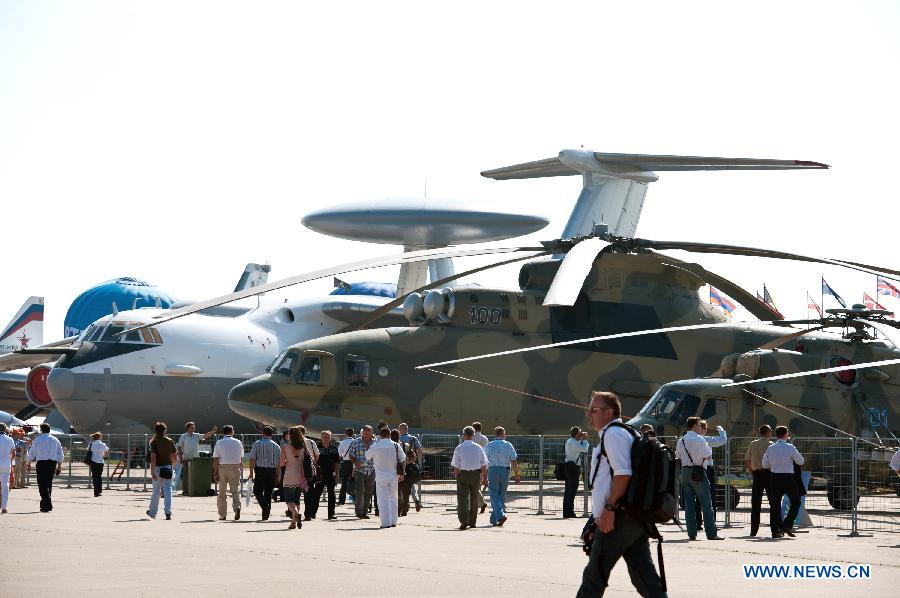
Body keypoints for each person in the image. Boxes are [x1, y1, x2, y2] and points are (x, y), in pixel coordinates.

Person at [577, 391, 666, 597]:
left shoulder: (614, 434)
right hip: (631, 517)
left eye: (593, 410)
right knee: (646, 579)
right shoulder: (624, 432)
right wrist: (595, 519)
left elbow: (623, 474)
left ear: (609, 413)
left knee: (594, 578)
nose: (589, 414)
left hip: (619, 517)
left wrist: (609, 510)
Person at [674, 416, 723, 541]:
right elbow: (708, 455)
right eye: (699, 425)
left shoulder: (681, 440)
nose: (700, 427)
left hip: (684, 472)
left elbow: (678, 456)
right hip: (698, 472)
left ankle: (692, 533)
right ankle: (711, 533)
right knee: (706, 504)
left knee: (689, 505)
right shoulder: (700, 439)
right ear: (695, 426)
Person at [762, 425, 804, 538]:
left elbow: (764, 464)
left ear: (776, 435)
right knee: (796, 501)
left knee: (775, 505)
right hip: (788, 478)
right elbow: (800, 461)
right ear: (786, 435)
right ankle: (787, 524)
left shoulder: (770, 448)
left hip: (775, 477)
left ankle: (775, 531)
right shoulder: (790, 447)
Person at [365, 427, 406, 528]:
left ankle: (385, 523)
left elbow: (367, 456)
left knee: (383, 500)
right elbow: (403, 460)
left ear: (381, 435)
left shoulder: (376, 446)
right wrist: (403, 473)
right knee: (393, 499)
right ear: (389, 435)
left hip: (380, 476)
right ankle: (393, 521)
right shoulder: (396, 445)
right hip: (393, 476)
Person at [451, 426, 488, 530]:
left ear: (464, 435)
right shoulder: (478, 448)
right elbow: (484, 464)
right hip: (476, 475)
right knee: (474, 499)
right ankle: (472, 522)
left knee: (462, 499)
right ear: (473, 435)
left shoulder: (459, 448)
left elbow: (456, 465)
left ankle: (464, 521)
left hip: (463, 474)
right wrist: (485, 477)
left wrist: (457, 476)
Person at [483, 426, 519, 527]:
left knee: (494, 494)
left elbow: (484, 462)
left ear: (495, 434)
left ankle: (500, 516)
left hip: (493, 470)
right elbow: (514, 461)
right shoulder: (508, 445)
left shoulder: (489, 445)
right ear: (503, 434)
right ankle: (494, 519)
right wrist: (516, 475)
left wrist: (484, 475)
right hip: (505, 470)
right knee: (501, 495)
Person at [277, 426, 311, 530]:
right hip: (301, 474)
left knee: (288, 499)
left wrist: (289, 461)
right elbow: (309, 459)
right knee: (297, 499)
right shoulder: (304, 447)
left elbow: (282, 463)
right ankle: (293, 522)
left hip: (290, 472)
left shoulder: (285, 447)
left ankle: (295, 514)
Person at [694, 420, 727, 526]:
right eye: (706, 429)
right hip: (707, 468)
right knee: (710, 495)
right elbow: (723, 440)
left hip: (695, 468)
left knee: (698, 496)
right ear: (702, 429)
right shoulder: (706, 439)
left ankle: (698, 522)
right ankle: (711, 522)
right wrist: (721, 430)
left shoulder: (692, 440)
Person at [27, 422, 64, 512]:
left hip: (42, 463)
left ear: (41, 430)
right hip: (52, 463)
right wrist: (59, 466)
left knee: (42, 484)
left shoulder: (38, 439)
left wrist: (29, 463)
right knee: (48, 483)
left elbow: (32, 452)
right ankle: (44, 505)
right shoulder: (55, 439)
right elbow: (60, 453)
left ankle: (47, 503)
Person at [248, 425, 281, 520]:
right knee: (268, 492)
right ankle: (266, 514)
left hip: (261, 470)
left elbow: (252, 459)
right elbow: (279, 463)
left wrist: (251, 472)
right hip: (272, 471)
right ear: (271, 434)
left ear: (263, 433)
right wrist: (278, 475)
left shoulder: (257, 444)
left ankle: (265, 507)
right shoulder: (276, 446)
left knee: (257, 491)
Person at [745, 425, 772, 537]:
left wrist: (752, 472)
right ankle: (775, 528)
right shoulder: (771, 445)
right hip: (769, 474)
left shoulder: (753, 443)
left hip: (757, 474)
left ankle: (753, 530)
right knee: (773, 503)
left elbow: (747, 459)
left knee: (756, 504)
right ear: (768, 433)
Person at [213, 424, 244, 521]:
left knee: (222, 492)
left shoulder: (219, 442)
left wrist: (215, 472)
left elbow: (216, 459)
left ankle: (223, 514)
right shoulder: (238, 442)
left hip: (223, 467)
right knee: (235, 490)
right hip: (235, 466)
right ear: (232, 431)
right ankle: (237, 508)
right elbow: (241, 457)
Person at [146, 421, 176, 520]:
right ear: (165, 430)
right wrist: (173, 466)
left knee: (156, 491)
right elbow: (174, 457)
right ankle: (168, 512)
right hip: (168, 467)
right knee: (168, 490)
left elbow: (153, 457)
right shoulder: (170, 441)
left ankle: (153, 512)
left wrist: (152, 471)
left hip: (157, 468)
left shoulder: (153, 441)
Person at [174, 422, 216, 492]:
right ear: (188, 428)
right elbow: (179, 447)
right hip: (186, 458)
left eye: (194, 427)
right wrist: (180, 458)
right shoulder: (183, 436)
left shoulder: (196, 435)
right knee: (186, 475)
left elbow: (205, 436)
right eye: (192, 427)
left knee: (195, 475)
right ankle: (185, 490)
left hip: (196, 459)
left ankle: (194, 489)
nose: (194, 428)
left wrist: (213, 431)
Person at [309, 430, 340, 520]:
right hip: (319, 475)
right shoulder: (317, 448)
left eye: (328, 437)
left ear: (330, 438)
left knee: (332, 495)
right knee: (316, 494)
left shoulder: (334, 448)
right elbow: (314, 461)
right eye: (324, 437)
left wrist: (337, 475)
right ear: (321, 438)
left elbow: (337, 463)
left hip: (330, 474)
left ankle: (331, 514)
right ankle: (312, 513)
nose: (326, 439)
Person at [350, 425, 376, 519]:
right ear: (362, 433)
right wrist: (356, 463)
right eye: (365, 433)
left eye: (369, 433)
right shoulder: (356, 441)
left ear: (371, 433)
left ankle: (365, 512)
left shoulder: (375, 443)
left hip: (371, 470)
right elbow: (351, 455)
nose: (366, 435)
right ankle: (359, 511)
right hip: (359, 470)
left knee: (369, 492)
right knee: (359, 491)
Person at [563, 426, 590, 518]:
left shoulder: (569, 441)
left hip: (568, 466)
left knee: (568, 490)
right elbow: (584, 449)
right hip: (573, 467)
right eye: (579, 433)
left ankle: (566, 512)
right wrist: (585, 440)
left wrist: (582, 438)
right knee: (572, 490)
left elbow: (578, 448)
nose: (581, 435)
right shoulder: (573, 443)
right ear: (575, 434)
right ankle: (570, 512)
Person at [297, 424, 320, 521]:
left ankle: (293, 512)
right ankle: (308, 513)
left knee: (295, 493)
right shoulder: (311, 442)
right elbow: (317, 455)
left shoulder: (294, 443)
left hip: (297, 470)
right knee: (309, 493)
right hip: (309, 471)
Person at [398, 422, 423, 512]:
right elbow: (419, 450)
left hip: (400, 466)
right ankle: (416, 500)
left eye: (399, 429)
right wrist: (417, 462)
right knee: (411, 484)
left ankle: (405, 505)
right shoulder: (413, 438)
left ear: (402, 429)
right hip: (411, 465)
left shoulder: (398, 439)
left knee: (401, 486)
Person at [86, 432, 109, 497]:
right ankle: (99, 491)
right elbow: (106, 453)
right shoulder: (103, 444)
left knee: (94, 477)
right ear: (99, 437)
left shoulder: (91, 444)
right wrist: (102, 454)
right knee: (99, 476)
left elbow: (87, 450)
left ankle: (95, 492)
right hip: (101, 462)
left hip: (93, 462)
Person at [337, 427, 356, 505]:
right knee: (355, 481)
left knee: (344, 482)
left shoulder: (342, 442)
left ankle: (342, 500)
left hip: (345, 463)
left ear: (346, 433)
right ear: (353, 433)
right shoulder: (355, 442)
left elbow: (339, 454)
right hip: (354, 463)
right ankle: (356, 499)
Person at [0, 423, 15, 513]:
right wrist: (9, 461)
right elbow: (13, 453)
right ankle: (4, 507)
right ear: (5, 429)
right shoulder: (9, 439)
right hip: (6, 464)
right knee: (5, 485)